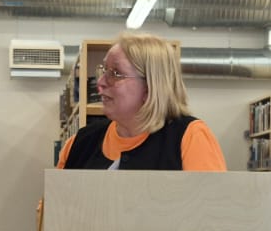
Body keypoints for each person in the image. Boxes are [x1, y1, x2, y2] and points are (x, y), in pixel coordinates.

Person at [55, 34, 227, 171]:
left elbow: (211, 204)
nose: (100, 82)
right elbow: (55, 202)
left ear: (150, 86)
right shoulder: (80, 143)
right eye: (104, 70)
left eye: (115, 73)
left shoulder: (191, 138)